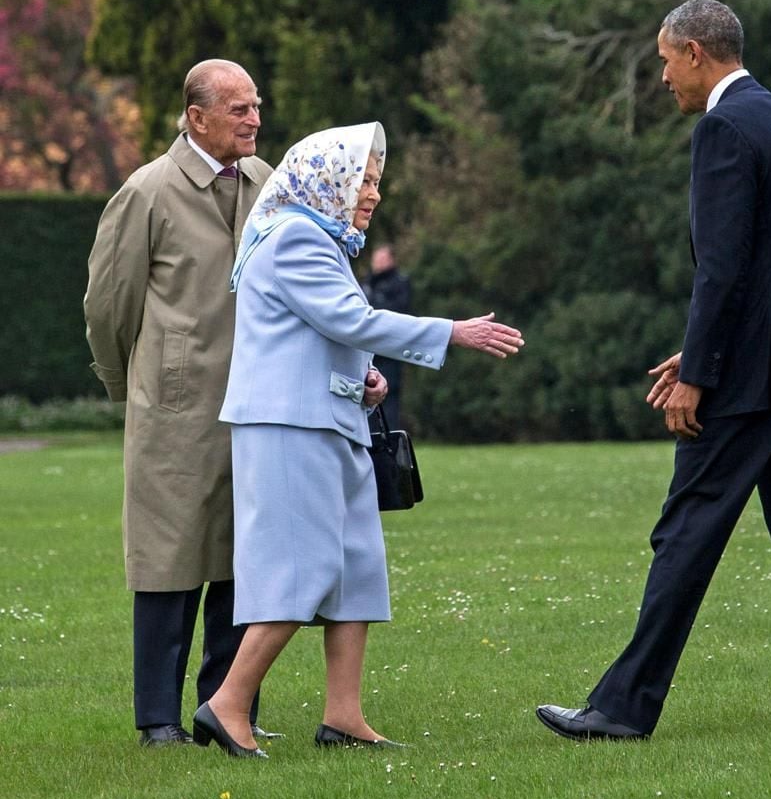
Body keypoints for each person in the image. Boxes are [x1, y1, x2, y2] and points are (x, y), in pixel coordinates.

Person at [536, 0, 771, 741]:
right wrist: (699, 347)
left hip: (750, 374)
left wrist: (700, 372)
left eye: (664, 60)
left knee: (687, 527)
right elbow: (770, 264)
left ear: (695, 52)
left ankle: (622, 710)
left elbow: (721, 267)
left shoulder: (722, 128)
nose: (662, 78)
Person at [192, 123, 523, 758]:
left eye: (376, 181)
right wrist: (452, 332)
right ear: (327, 179)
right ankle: (227, 704)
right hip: (290, 429)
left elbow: (323, 335)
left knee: (356, 570)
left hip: (327, 421)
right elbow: (351, 319)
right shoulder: (295, 239)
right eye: (362, 179)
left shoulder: (321, 239)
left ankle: (343, 717)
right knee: (305, 570)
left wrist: (362, 377)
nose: (372, 193)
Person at [84, 59, 276, 746]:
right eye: (239, 109)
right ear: (196, 117)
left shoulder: (266, 183)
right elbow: (109, 307)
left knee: (240, 557)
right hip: (173, 405)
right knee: (168, 561)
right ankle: (158, 718)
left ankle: (226, 709)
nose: (255, 119)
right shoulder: (148, 192)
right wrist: (134, 389)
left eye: (256, 106)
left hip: (256, 402)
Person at [364, 243, 413, 431]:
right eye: (376, 259)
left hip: (390, 352)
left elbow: (400, 312)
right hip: (368, 352)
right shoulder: (366, 283)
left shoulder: (398, 283)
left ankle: (389, 437)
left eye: (382, 259)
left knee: (388, 397)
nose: (377, 263)